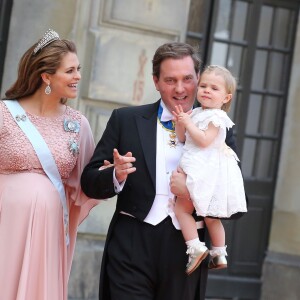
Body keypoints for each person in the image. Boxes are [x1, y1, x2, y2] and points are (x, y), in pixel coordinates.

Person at [80, 43, 237, 300]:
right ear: (155, 81)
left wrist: (195, 190)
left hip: (187, 251)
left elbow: (239, 198)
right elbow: (89, 180)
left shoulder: (220, 129)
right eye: (170, 80)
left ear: (198, 79)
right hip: (131, 244)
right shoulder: (125, 119)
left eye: (187, 79)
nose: (180, 88)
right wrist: (115, 175)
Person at [0, 29, 99, 300]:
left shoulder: (78, 124)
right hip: (4, 228)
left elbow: (87, 183)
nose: (78, 76)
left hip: (48, 232)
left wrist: (113, 174)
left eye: (78, 69)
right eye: (70, 71)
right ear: (46, 76)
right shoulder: (4, 114)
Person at [172, 65, 247, 275]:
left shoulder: (217, 117)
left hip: (204, 170)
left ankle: (195, 247)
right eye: (203, 85)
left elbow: (204, 141)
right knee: (210, 216)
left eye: (214, 88)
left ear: (226, 97)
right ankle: (219, 253)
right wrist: (182, 122)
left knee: (182, 210)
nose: (206, 90)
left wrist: (188, 123)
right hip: (199, 165)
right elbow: (182, 138)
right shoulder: (196, 113)